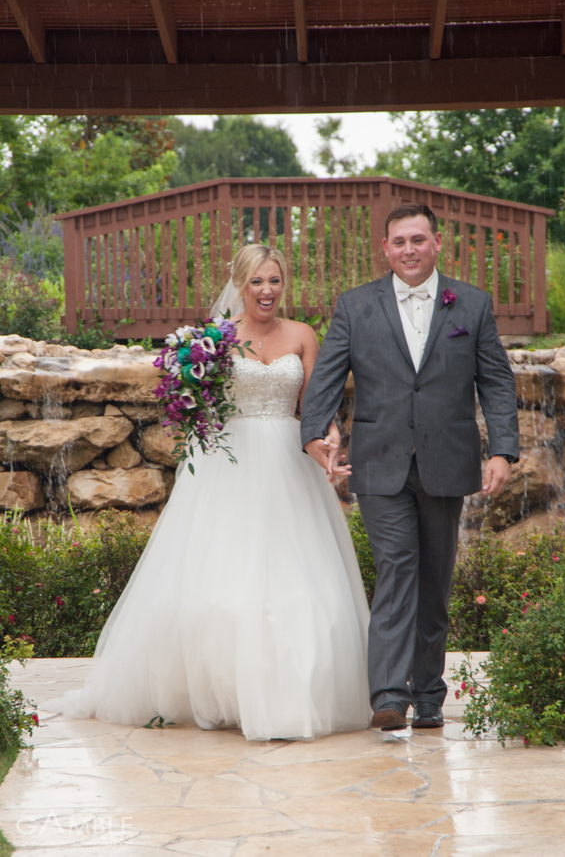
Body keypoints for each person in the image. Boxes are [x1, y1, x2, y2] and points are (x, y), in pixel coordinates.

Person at [42, 244, 371, 741]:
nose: (267, 291)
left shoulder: (303, 336)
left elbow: (317, 405)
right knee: (220, 582)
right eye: (257, 281)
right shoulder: (211, 341)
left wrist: (329, 439)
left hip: (289, 463)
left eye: (275, 281)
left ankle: (295, 692)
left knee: (301, 582)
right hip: (228, 467)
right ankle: (219, 693)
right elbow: (195, 408)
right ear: (239, 283)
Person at [301, 203, 519, 732]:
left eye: (418, 240)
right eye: (399, 242)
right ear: (385, 248)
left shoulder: (472, 304)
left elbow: (496, 382)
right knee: (398, 568)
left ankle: (429, 696)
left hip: (448, 460)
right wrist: (314, 433)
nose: (409, 250)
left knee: (435, 579)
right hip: (379, 463)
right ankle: (389, 697)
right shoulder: (355, 306)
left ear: (437, 243)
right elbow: (326, 377)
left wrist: (502, 451)